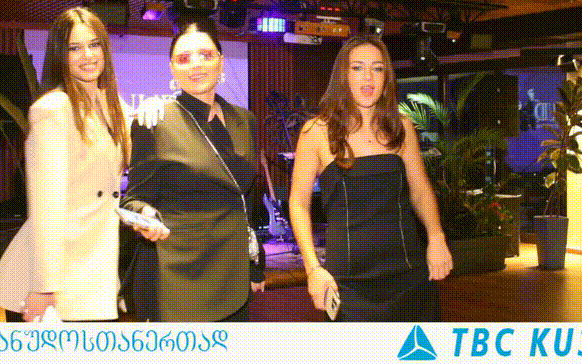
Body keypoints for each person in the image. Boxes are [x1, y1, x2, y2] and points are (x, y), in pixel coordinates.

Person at [289, 34, 453, 321]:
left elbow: (420, 191)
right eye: (358, 68)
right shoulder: (315, 132)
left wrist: (436, 237)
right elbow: (299, 205)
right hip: (348, 284)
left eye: (377, 68)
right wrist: (312, 268)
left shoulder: (402, 128)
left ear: (387, 77)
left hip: (409, 277)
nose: (368, 77)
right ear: (343, 75)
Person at [0, 7, 132, 322]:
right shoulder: (53, 109)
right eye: (74, 48)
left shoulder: (113, 107)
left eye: (94, 44)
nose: (87, 55)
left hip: (95, 266)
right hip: (57, 276)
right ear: (59, 55)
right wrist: (44, 287)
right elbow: (45, 205)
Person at [121, 17, 265, 322]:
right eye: (184, 59)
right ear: (172, 69)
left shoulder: (245, 120)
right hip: (181, 275)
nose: (196, 65)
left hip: (234, 274)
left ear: (221, 62)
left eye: (206, 55)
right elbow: (132, 199)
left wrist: (255, 264)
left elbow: (246, 197)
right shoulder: (156, 121)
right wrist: (145, 214)